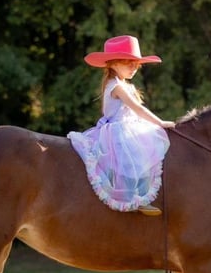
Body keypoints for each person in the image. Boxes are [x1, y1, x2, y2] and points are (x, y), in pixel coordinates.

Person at [68, 35, 175, 216]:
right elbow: (137, 108)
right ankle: (132, 198)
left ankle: (145, 194)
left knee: (146, 154)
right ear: (112, 64)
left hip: (131, 126)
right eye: (128, 62)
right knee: (129, 161)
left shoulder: (125, 84)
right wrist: (160, 123)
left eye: (136, 63)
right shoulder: (116, 86)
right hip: (118, 131)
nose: (133, 67)